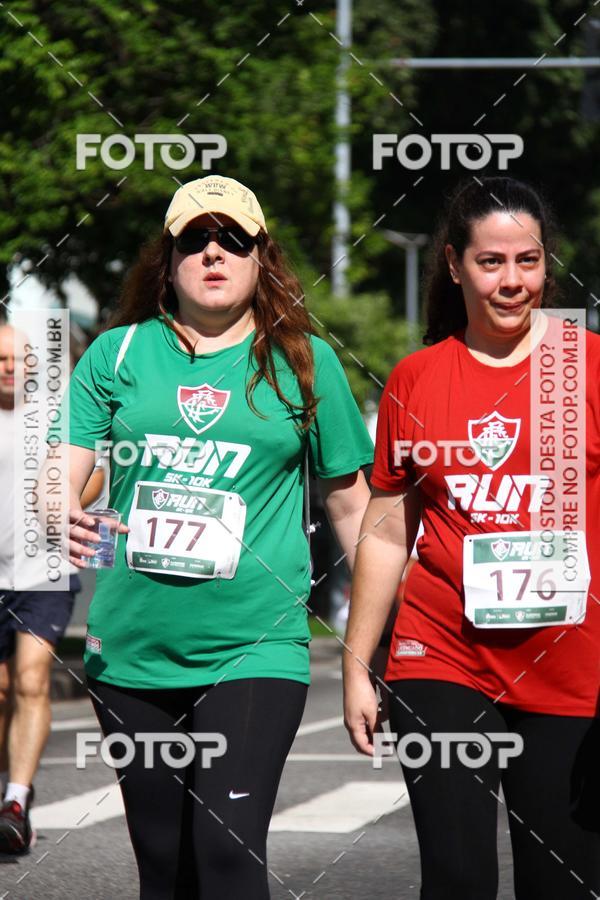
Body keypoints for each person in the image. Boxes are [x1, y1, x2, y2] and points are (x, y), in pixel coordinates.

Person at [58, 175, 373, 899]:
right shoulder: (118, 355)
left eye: (233, 239)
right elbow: (60, 473)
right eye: (193, 239)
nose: (213, 253)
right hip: (134, 645)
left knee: (227, 853)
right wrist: (61, 512)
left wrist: (377, 641)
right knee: (164, 863)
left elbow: (357, 511)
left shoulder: (303, 360)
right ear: (166, 262)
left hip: (255, 642)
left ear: (261, 258)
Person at [343, 176, 600, 899]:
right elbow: (389, 530)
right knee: (456, 877)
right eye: (491, 262)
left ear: (548, 264)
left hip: (571, 663)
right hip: (441, 650)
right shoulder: (417, 379)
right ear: (454, 265)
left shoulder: (586, 366)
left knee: (562, 883)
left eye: (528, 261)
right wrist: (359, 662)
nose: (512, 281)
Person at [0, 323, 82, 853]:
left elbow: (90, 475)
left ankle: (16, 801)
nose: (9, 366)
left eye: (18, 357)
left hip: (43, 572)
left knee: (31, 681)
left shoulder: (57, 416)